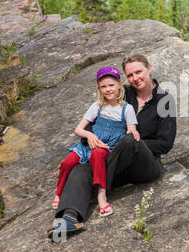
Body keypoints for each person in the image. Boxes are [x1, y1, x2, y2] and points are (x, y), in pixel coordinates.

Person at [47, 53, 176, 240]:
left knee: (130, 140)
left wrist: (126, 144)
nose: (135, 78)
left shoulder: (165, 100)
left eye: (139, 72)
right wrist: (91, 139)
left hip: (144, 165)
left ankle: (96, 186)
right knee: (83, 167)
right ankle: (68, 218)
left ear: (149, 69)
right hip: (115, 163)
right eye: (130, 75)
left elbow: (165, 144)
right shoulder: (121, 93)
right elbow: (94, 124)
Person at [52, 66, 139, 218]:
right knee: (67, 163)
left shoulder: (127, 109)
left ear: (119, 84)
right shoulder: (97, 106)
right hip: (87, 146)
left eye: (111, 85)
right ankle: (59, 193)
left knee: (98, 155)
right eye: (103, 86)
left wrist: (134, 131)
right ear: (99, 88)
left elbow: (131, 129)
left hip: (107, 147)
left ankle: (101, 194)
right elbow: (78, 129)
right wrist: (89, 136)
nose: (108, 89)